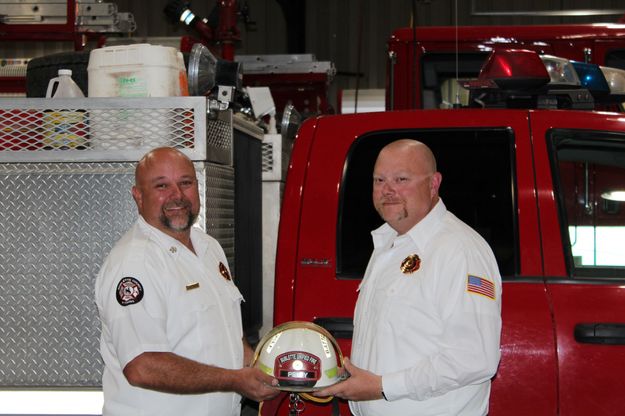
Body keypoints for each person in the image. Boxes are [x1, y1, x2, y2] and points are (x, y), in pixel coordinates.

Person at [315, 139, 502, 415]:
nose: (387, 190)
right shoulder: (388, 244)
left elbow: (474, 358)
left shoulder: (458, 250)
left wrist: (382, 386)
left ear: (433, 183)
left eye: (401, 179)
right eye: (379, 180)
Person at [94, 147, 278, 415]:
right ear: (138, 196)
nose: (177, 195)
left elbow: (224, 331)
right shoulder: (135, 263)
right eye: (161, 186)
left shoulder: (208, 247)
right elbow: (142, 366)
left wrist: (260, 367)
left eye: (185, 183)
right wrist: (235, 379)